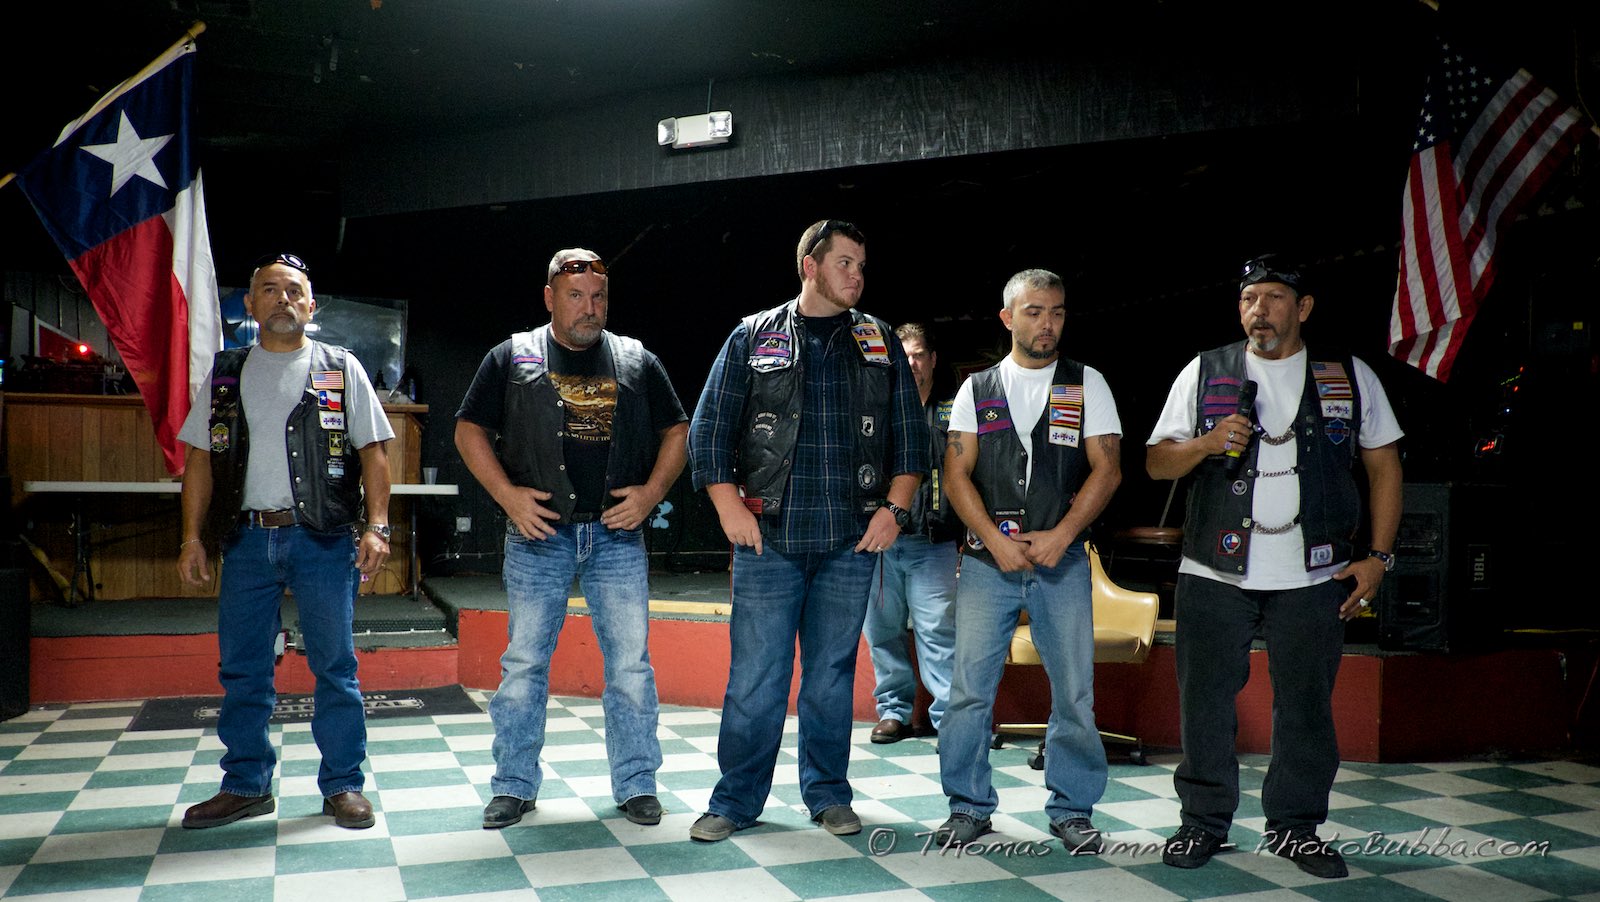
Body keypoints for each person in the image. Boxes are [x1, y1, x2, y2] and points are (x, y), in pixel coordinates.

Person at [1146, 254, 1403, 879]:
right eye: (1248, 299)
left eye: (1273, 297)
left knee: (1307, 707)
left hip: (1313, 577)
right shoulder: (1206, 370)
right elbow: (1156, 462)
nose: (1257, 310)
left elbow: (1384, 467)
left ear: (1303, 307)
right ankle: (1202, 823)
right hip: (1213, 571)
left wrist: (1378, 559)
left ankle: (1295, 828)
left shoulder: (1348, 375)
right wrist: (1206, 443)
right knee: (1205, 704)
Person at [687, 219, 929, 842]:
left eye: (862, 266)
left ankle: (827, 795)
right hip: (768, 541)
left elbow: (912, 440)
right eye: (845, 262)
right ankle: (735, 800)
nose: (857, 275)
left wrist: (895, 510)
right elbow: (707, 434)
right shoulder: (752, 335)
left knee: (831, 678)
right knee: (756, 679)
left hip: (850, 542)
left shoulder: (879, 340)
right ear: (810, 267)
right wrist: (729, 508)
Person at [455, 248, 688, 830]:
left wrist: (650, 494)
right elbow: (468, 430)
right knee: (524, 664)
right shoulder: (511, 356)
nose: (590, 307)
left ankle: (637, 783)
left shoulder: (636, 359)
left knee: (630, 666)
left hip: (615, 537)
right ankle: (513, 785)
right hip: (539, 535)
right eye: (577, 296)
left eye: (599, 296)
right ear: (549, 298)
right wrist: (507, 496)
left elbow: (678, 431)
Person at [177, 252, 393, 830]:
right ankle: (246, 784)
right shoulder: (226, 374)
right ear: (250, 304)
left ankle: (343, 785)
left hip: (323, 540)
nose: (283, 299)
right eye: (270, 290)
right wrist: (192, 537)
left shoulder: (340, 368)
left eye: (294, 291)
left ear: (311, 305)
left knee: (335, 667)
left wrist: (377, 526)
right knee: (243, 669)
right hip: (247, 541)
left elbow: (374, 453)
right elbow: (199, 460)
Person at [934, 268, 1122, 853]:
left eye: (1057, 312)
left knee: (1074, 692)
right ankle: (967, 806)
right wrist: (992, 539)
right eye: (1035, 311)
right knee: (969, 691)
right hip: (987, 564)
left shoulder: (1086, 382)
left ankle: (1072, 809)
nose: (1048, 323)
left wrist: (1063, 535)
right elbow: (955, 475)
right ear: (1008, 317)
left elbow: (1108, 470)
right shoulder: (977, 388)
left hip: (1061, 562)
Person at [862, 322, 960, 744]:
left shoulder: (955, 410)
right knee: (881, 633)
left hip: (934, 544)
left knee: (938, 632)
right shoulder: (875, 409)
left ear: (933, 360)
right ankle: (893, 712)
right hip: (880, 545)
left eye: (919, 355)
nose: (913, 363)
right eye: (904, 356)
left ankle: (950, 718)